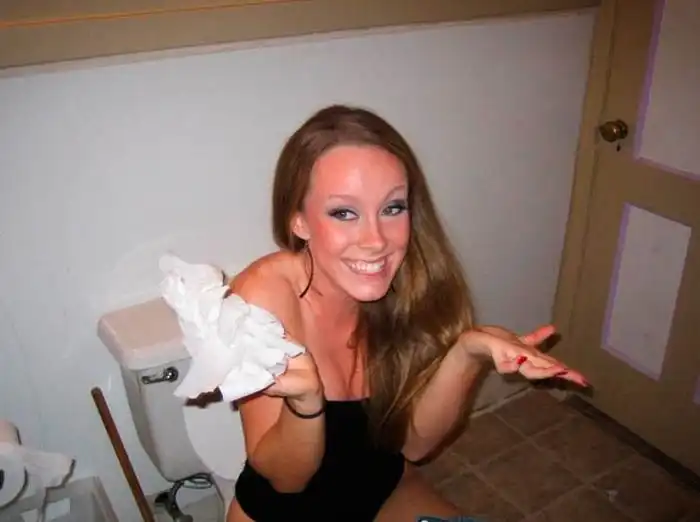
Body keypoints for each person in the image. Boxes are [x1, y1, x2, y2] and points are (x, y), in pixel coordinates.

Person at [225, 104, 587, 522]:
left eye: (393, 208)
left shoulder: (409, 284)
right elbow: (285, 480)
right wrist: (305, 404)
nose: (376, 241)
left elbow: (415, 445)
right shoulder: (262, 298)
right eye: (344, 213)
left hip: (382, 493)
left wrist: (468, 353)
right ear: (299, 221)